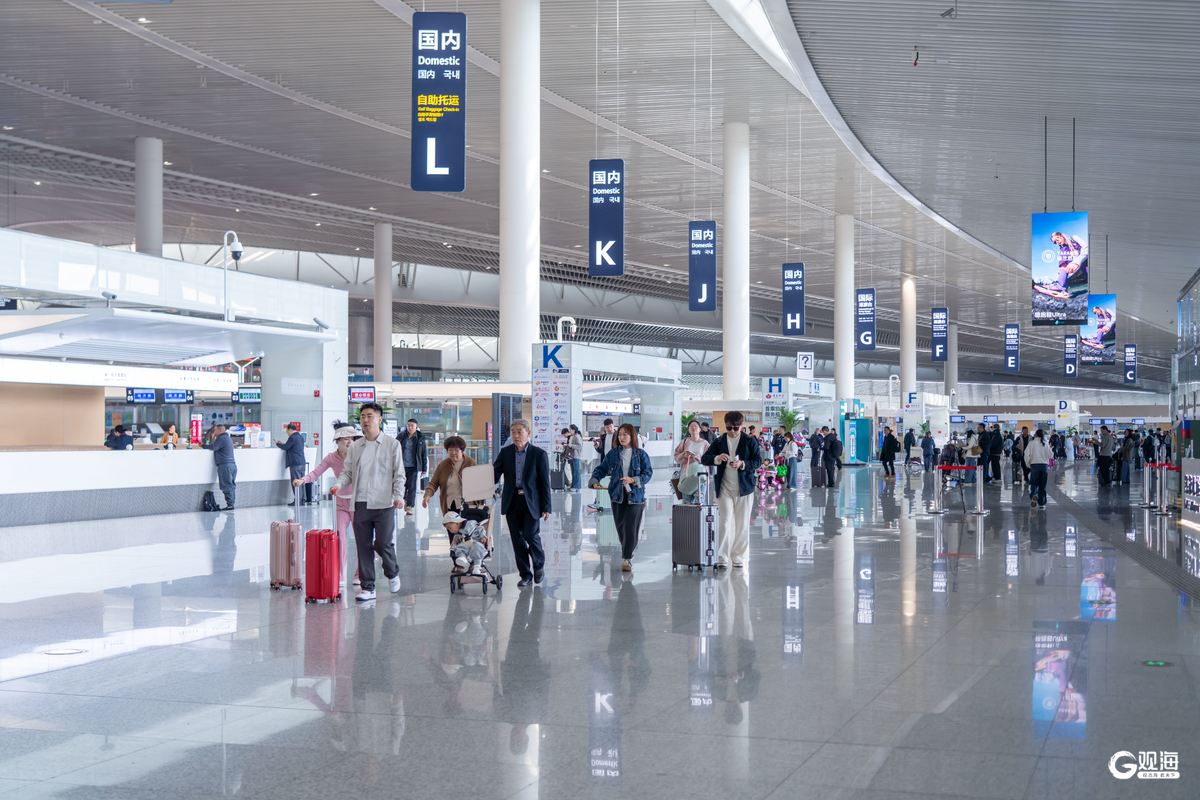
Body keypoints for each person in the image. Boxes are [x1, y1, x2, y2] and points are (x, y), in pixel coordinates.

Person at [331, 402, 405, 602]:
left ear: (379, 419)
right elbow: (347, 472)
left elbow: (399, 474)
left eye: (369, 416)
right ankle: (368, 588)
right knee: (363, 546)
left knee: (383, 543)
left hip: (384, 503)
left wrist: (398, 496)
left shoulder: (392, 444)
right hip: (360, 503)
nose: (365, 420)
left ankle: (392, 572)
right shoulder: (356, 447)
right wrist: (338, 485)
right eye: (363, 416)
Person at [296, 421, 360, 587]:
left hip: (358, 503)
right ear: (337, 440)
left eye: (352, 438)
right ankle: (340, 575)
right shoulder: (331, 458)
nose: (349, 442)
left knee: (361, 540)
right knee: (340, 539)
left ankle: (360, 573)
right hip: (340, 504)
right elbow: (316, 472)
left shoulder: (358, 454)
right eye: (345, 439)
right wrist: (303, 480)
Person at [494, 419, 552, 587]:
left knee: (530, 535)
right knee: (517, 540)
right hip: (512, 501)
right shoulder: (505, 453)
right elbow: (493, 474)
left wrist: (546, 507)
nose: (516, 435)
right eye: (513, 432)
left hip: (531, 502)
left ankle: (539, 565)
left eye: (520, 432)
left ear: (528, 433)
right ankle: (525, 574)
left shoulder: (539, 454)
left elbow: (544, 483)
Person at [701, 412, 762, 569]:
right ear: (725, 426)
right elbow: (704, 458)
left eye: (736, 428)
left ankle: (738, 556)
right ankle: (722, 556)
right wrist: (717, 458)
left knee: (742, 523)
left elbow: (758, 461)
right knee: (725, 521)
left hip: (745, 488)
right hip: (724, 488)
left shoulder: (749, 440)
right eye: (729, 428)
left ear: (741, 426)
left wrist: (742, 464)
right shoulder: (720, 440)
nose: (733, 431)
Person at [590, 423, 653, 572]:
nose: (621, 437)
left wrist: (633, 480)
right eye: (619, 434)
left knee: (631, 526)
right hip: (617, 496)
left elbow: (648, 473)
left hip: (635, 496)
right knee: (621, 528)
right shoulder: (613, 454)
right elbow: (601, 469)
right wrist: (594, 480)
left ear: (632, 436)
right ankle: (628, 551)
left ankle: (626, 559)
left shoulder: (641, 454)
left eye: (625, 434)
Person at [422, 435, 477, 514]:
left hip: (467, 505)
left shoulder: (471, 463)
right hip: (449, 504)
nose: (453, 453)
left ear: (462, 451)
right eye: (450, 450)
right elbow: (433, 483)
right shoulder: (443, 465)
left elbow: (479, 484)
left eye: (456, 450)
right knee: (450, 522)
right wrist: (427, 495)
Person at [674, 420, 711, 504]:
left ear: (700, 429)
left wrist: (699, 459)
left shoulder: (705, 444)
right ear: (688, 429)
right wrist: (684, 455)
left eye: (696, 426)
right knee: (687, 503)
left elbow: (709, 459)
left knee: (700, 501)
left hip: (701, 477)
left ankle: (701, 513)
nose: (693, 428)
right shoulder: (684, 442)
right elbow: (676, 457)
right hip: (687, 476)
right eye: (691, 426)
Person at [396, 419, 427, 516]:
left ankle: (409, 506)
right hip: (401, 466)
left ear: (416, 427)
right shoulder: (401, 436)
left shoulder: (420, 438)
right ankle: (405, 499)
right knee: (402, 485)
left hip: (413, 466)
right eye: (408, 425)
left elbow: (423, 453)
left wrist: (424, 468)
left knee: (412, 486)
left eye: (412, 425)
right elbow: (395, 449)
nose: (410, 427)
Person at [442, 511, 489, 576]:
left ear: (457, 523)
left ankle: (477, 566)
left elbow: (481, 529)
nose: (450, 531)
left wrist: (483, 536)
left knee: (477, 548)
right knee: (459, 547)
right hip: (465, 543)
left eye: (450, 528)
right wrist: (456, 537)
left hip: (476, 541)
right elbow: (459, 536)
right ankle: (462, 557)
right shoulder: (458, 532)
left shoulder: (472, 524)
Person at [202, 424, 236, 510]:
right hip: (231, 465)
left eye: (216, 430)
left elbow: (213, 447)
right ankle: (231, 504)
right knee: (230, 485)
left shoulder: (221, 438)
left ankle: (230, 505)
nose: (214, 432)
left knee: (226, 485)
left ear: (220, 431)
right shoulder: (227, 438)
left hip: (225, 465)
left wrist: (202, 445)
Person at [276, 423, 309, 506]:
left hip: (295, 463)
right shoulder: (300, 437)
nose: (287, 433)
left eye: (287, 431)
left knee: (296, 482)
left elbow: (286, 447)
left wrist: (278, 444)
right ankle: (302, 500)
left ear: (290, 430)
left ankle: (297, 500)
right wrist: (284, 444)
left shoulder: (292, 437)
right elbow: (291, 446)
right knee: (301, 482)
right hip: (302, 463)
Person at [1024, 429, 1053, 509]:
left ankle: (1034, 494)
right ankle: (1042, 503)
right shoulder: (1045, 444)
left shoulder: (1031, 443)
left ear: (1035, 435)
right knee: (1042, 485)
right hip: (1044, 466)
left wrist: (1028, 464)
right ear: (1043, 436)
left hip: (1034, 465)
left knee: (1033, 483)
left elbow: (1026, 454)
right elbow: (1051, 455)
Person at [565, 424, 584, 490]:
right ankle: (573, 486)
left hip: (576, 456)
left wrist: (571, 445)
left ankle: (577, 486)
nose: (569, 430)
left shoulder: (577, 436)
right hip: (572, 456)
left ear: (574, 430)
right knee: (573, 472)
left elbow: (580, 446)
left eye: (570, 429)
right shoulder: (572, 436)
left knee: (576, 472)